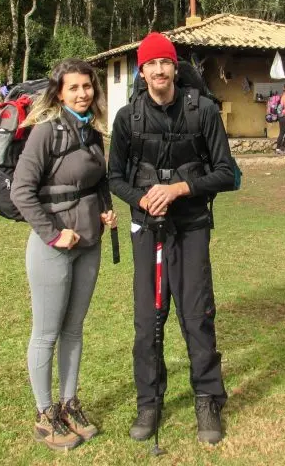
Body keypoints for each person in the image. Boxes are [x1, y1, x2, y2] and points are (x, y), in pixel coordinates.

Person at [108, 32, 236, 446]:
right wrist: (143, 198)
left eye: (166, 62)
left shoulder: (204, 113)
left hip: (192, 224)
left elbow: (227, 173)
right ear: (141, 71)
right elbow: (115, 177)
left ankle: (207, 397)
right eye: (151, 64)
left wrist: (180, 190)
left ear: (175, 67)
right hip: (148, 229)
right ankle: (149, 401)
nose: (159, 70)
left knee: (196, 316)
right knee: (148, 320)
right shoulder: (129, 118)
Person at [10, 59, 117, 452]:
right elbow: (21, 192)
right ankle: (44, 414)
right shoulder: (44, 133)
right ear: (59, 92)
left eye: (87, 86)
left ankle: (69, 404)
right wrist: (55, 235)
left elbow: (98, 180)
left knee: (74, 329)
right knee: (47, 332)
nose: (83, 93)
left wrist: (105, 207)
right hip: (52, 248)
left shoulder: (92, 132)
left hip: (90, 242)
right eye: (74, 88)